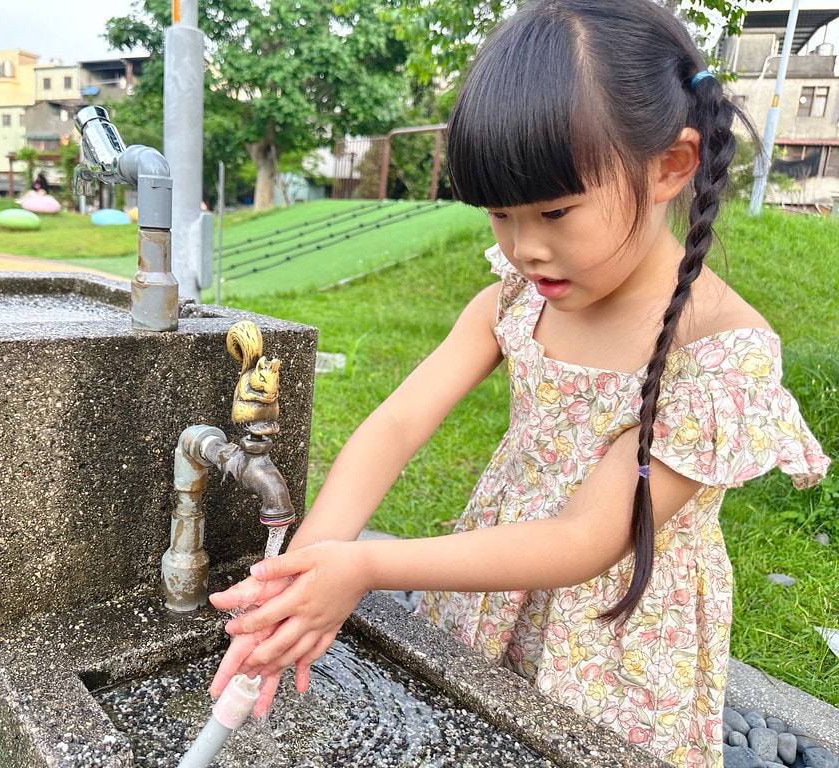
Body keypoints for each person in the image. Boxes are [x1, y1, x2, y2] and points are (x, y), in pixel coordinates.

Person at [207, 1, 832, 765]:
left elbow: (584, 541)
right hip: (489, 579)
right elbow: (399, 424)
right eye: (500, 215)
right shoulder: (517, 295)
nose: (526, 247)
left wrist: (367, 565)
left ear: (672, 165)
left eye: (556, 211)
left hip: (612, 636)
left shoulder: (717, 357)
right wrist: (303, 571)